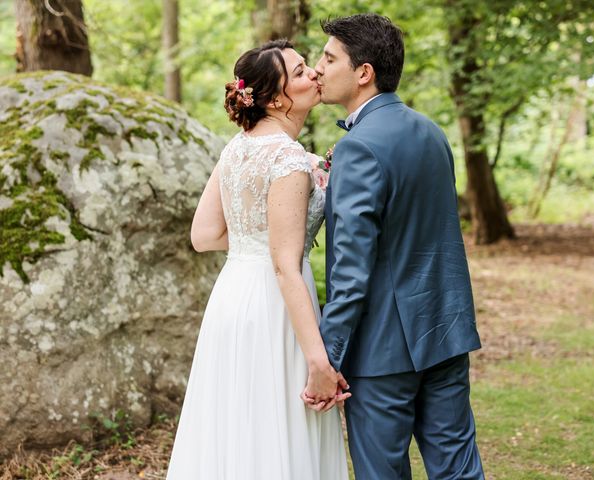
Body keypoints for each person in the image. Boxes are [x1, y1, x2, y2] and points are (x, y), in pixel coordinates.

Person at [310, 13, 485, 479]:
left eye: (329, 58)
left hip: (383, 349)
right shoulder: (433, 133)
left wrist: (328, 357)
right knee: (459, 469)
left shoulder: (357, 147)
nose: (318, 69)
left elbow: (349, 269)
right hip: (445, 330)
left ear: (363, 72)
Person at [166, 39, 349, 480]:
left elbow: (204, 235)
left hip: (232, 297)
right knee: (278, 423)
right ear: (274, 98)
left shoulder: (237, 148)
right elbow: (285, 265)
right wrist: (319, 362)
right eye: (302, 71)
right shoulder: (287, 158)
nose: (315, 75)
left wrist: (255, 240)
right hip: (276, 305)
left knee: (238, 425)